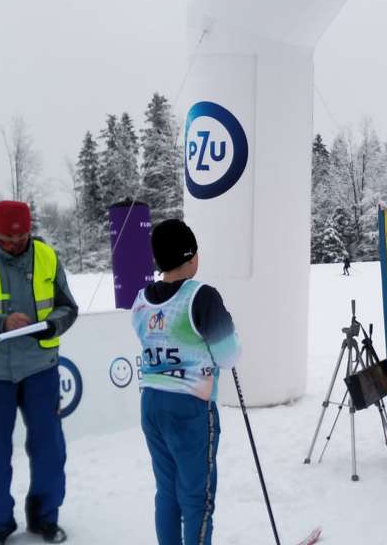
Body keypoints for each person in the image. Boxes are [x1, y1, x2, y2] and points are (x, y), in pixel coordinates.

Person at [0, 200, 78, 544]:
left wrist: (51, 326)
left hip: (40, 368)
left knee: (49, 447)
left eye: (20, 240)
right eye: (6, 240)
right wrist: (0, 323)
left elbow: (69, 307)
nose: (14, 245)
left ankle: (44, 518)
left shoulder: (47, 256)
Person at [132, 219, 241, 545]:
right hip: (190, 407)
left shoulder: (142, 299)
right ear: (191, 256)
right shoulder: (201, 296)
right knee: (197, 498)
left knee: (167, 491)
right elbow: (228, 355)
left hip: (152, 403)